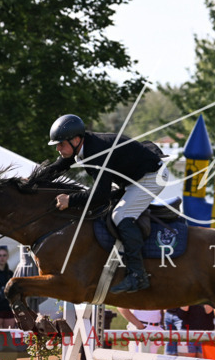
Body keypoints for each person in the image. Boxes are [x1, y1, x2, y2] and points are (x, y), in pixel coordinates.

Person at [40, 114, 169, 293]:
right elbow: (58, 166)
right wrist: (32, 180)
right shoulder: (80, 146)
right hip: (132, 177)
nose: (58, 149)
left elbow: (101, 195)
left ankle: (138, 276)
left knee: (120, 215)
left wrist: (70, 200)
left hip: (151, 177)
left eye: (60, 144)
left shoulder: (96, 151)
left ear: (76, 140)